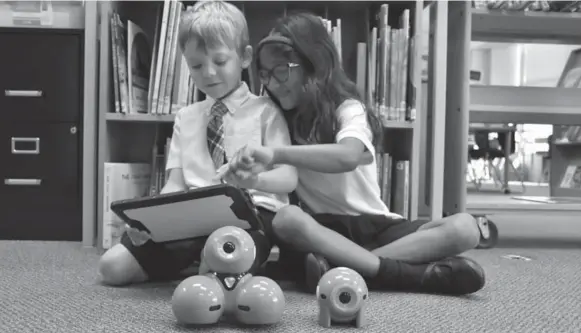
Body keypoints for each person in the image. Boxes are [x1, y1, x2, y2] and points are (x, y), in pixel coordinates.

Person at [218, 12, 486, 295]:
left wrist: (274, 154)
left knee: (466, 228)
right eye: (266, 74)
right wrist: (250, 176)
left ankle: (349, 269)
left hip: (374, 227)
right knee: (287, 219)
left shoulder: (348, 109)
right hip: (322, 232)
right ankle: (407, 275)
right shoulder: (275, 117)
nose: (273, 83)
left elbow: (346, 156)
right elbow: (279, 183)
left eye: (282, 70)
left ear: (313, 64)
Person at [98, 0, 297, 286]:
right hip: (193, 218)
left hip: (250, 215)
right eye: (196, 65)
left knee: (219, 267)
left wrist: (253, 180)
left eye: (219, 62)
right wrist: (151, 220)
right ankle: (196, 259)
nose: (209, 73)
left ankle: (210, 264)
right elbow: (175, 185)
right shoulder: (186, 117)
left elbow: (288, 178)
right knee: (111, 267)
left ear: (244, 57)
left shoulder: (266, 111)